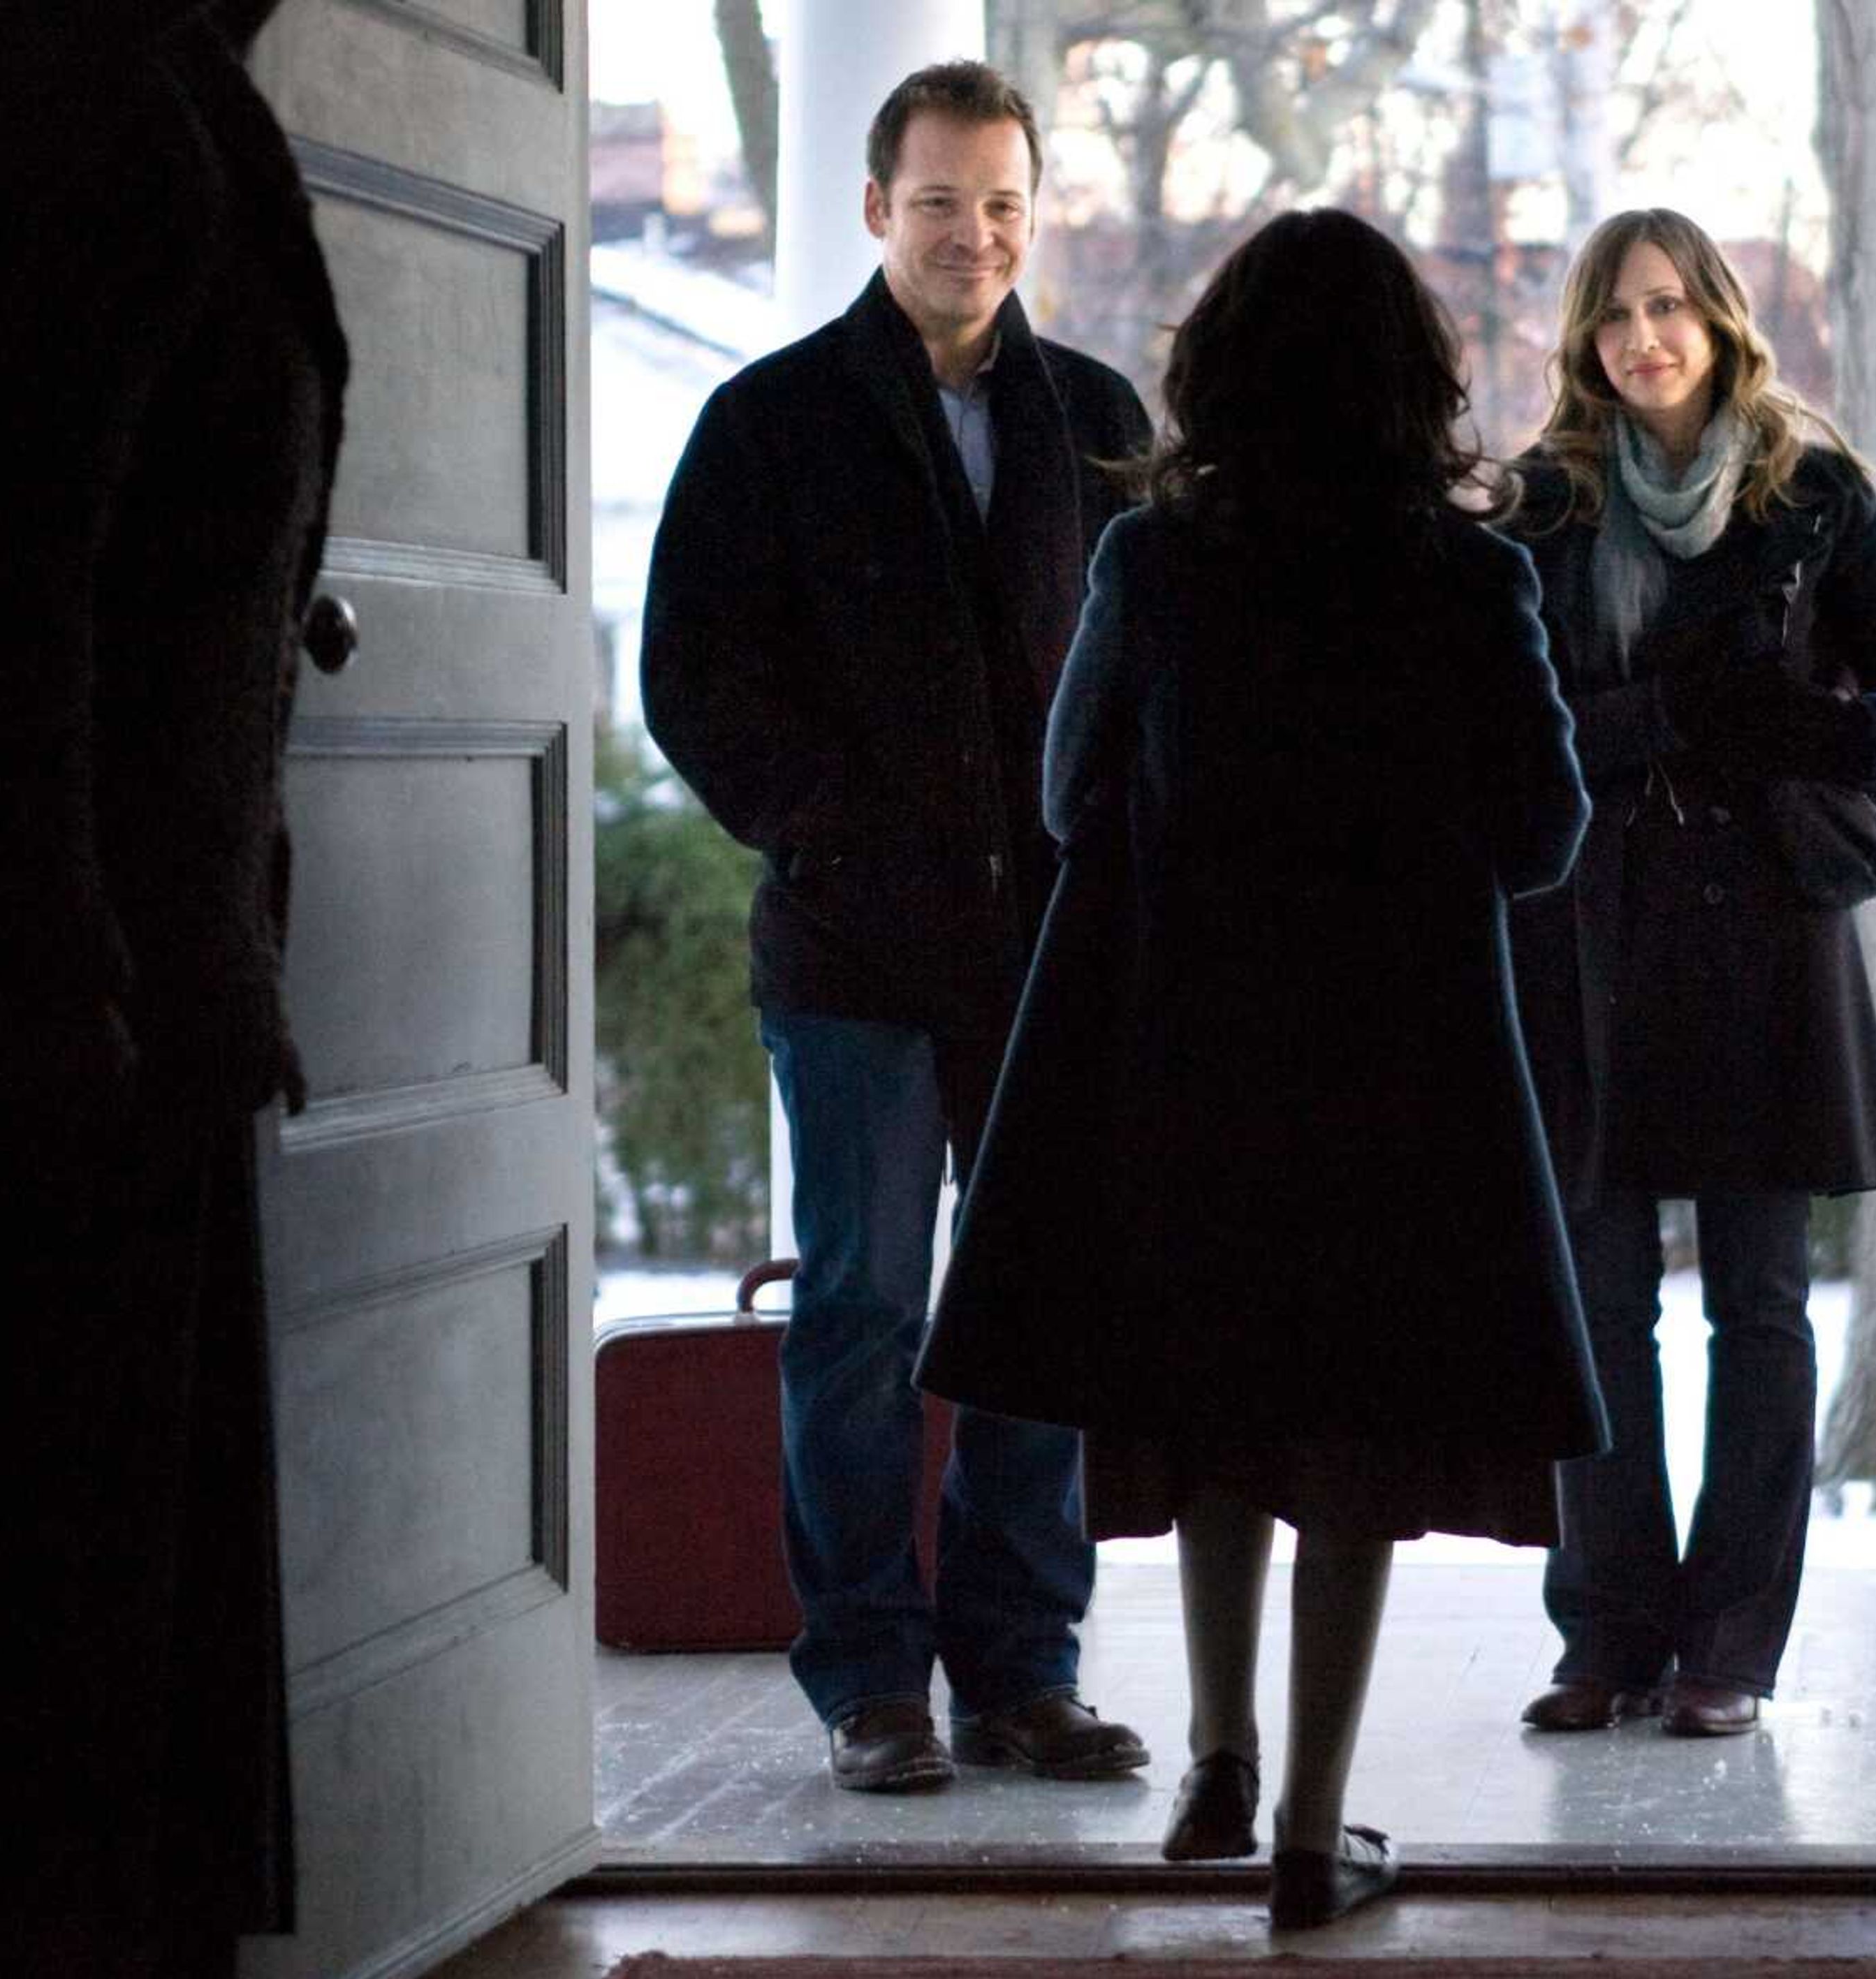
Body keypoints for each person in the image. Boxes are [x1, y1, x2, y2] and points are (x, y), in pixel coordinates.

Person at [917, 209, 1604, 1929]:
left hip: (1187, 1059)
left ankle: (1214, 1766)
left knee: (1219, 1405)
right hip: (1398, 1074)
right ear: (1412, 380)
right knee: (1351, 1431)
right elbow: (1542, 830)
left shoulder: (1157, 564)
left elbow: (1076, 802)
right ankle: (1311, 1830)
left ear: (1218, 372)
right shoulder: (1474, 576)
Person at [641, 61, 1153, 1795]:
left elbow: (1158, 677)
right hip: (854, 952)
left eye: (1004, 202)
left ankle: (1025, 1672)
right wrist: (825, 833)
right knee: (865, 1309)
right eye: (940, 201)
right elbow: (690, 676)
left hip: (1051, 952)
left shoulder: (1098, 421)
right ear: (877, 210)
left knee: (1047, 1310)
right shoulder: (768, 421)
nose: (975, 233)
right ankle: (869, 1677)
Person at [0, 3, 345, 1972]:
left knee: (126, 1651)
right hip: (53, 1025)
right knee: (54, 1657)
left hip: (146, 998)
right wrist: (59, 961)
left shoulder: (167, 99)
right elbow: (2, 592)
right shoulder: (57, 105)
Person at [1504, 208, 1876, 1739]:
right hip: (1597, 934)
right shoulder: (1543, 505)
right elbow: (1516, 730)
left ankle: (1732, 1646)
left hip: (1767, 930)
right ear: (1587, 338)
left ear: (1718, 318)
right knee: (1601, 1294)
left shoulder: (1809, 491)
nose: (1644, 338)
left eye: (1669, 307)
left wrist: (1831, 737)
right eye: (1616, 313)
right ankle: (1607, 1633)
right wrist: (1664, 725)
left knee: (1762, 1303)